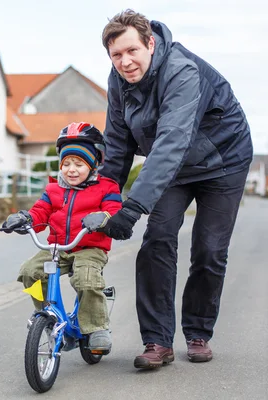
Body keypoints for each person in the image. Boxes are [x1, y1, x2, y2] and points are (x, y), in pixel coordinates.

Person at [99, 9, 254, 368]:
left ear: (150, 43)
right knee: (157, 239)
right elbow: (118, 142)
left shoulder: (181, 70)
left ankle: (198, 332)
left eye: (131, 51)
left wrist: (133, 206)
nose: (125, 62)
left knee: (209, 249)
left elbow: (171, 140)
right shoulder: (117, 80)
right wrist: (106, 200)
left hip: (223, 162)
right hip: (175, 164)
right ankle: (157, 342)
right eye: (116, 55)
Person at [2, 122, 122, 352]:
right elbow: (40, 212)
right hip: (58, 247)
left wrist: (103, 217)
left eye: (79, 164)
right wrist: (25, 219)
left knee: (85, 279)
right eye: (66, 163)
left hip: (89, 247)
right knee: (30, 272)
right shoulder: (53, 190)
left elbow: (114, 211)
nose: (71, 169)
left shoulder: (106, 187)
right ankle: (47, 314)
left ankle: (96, 327)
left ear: (94, 164)